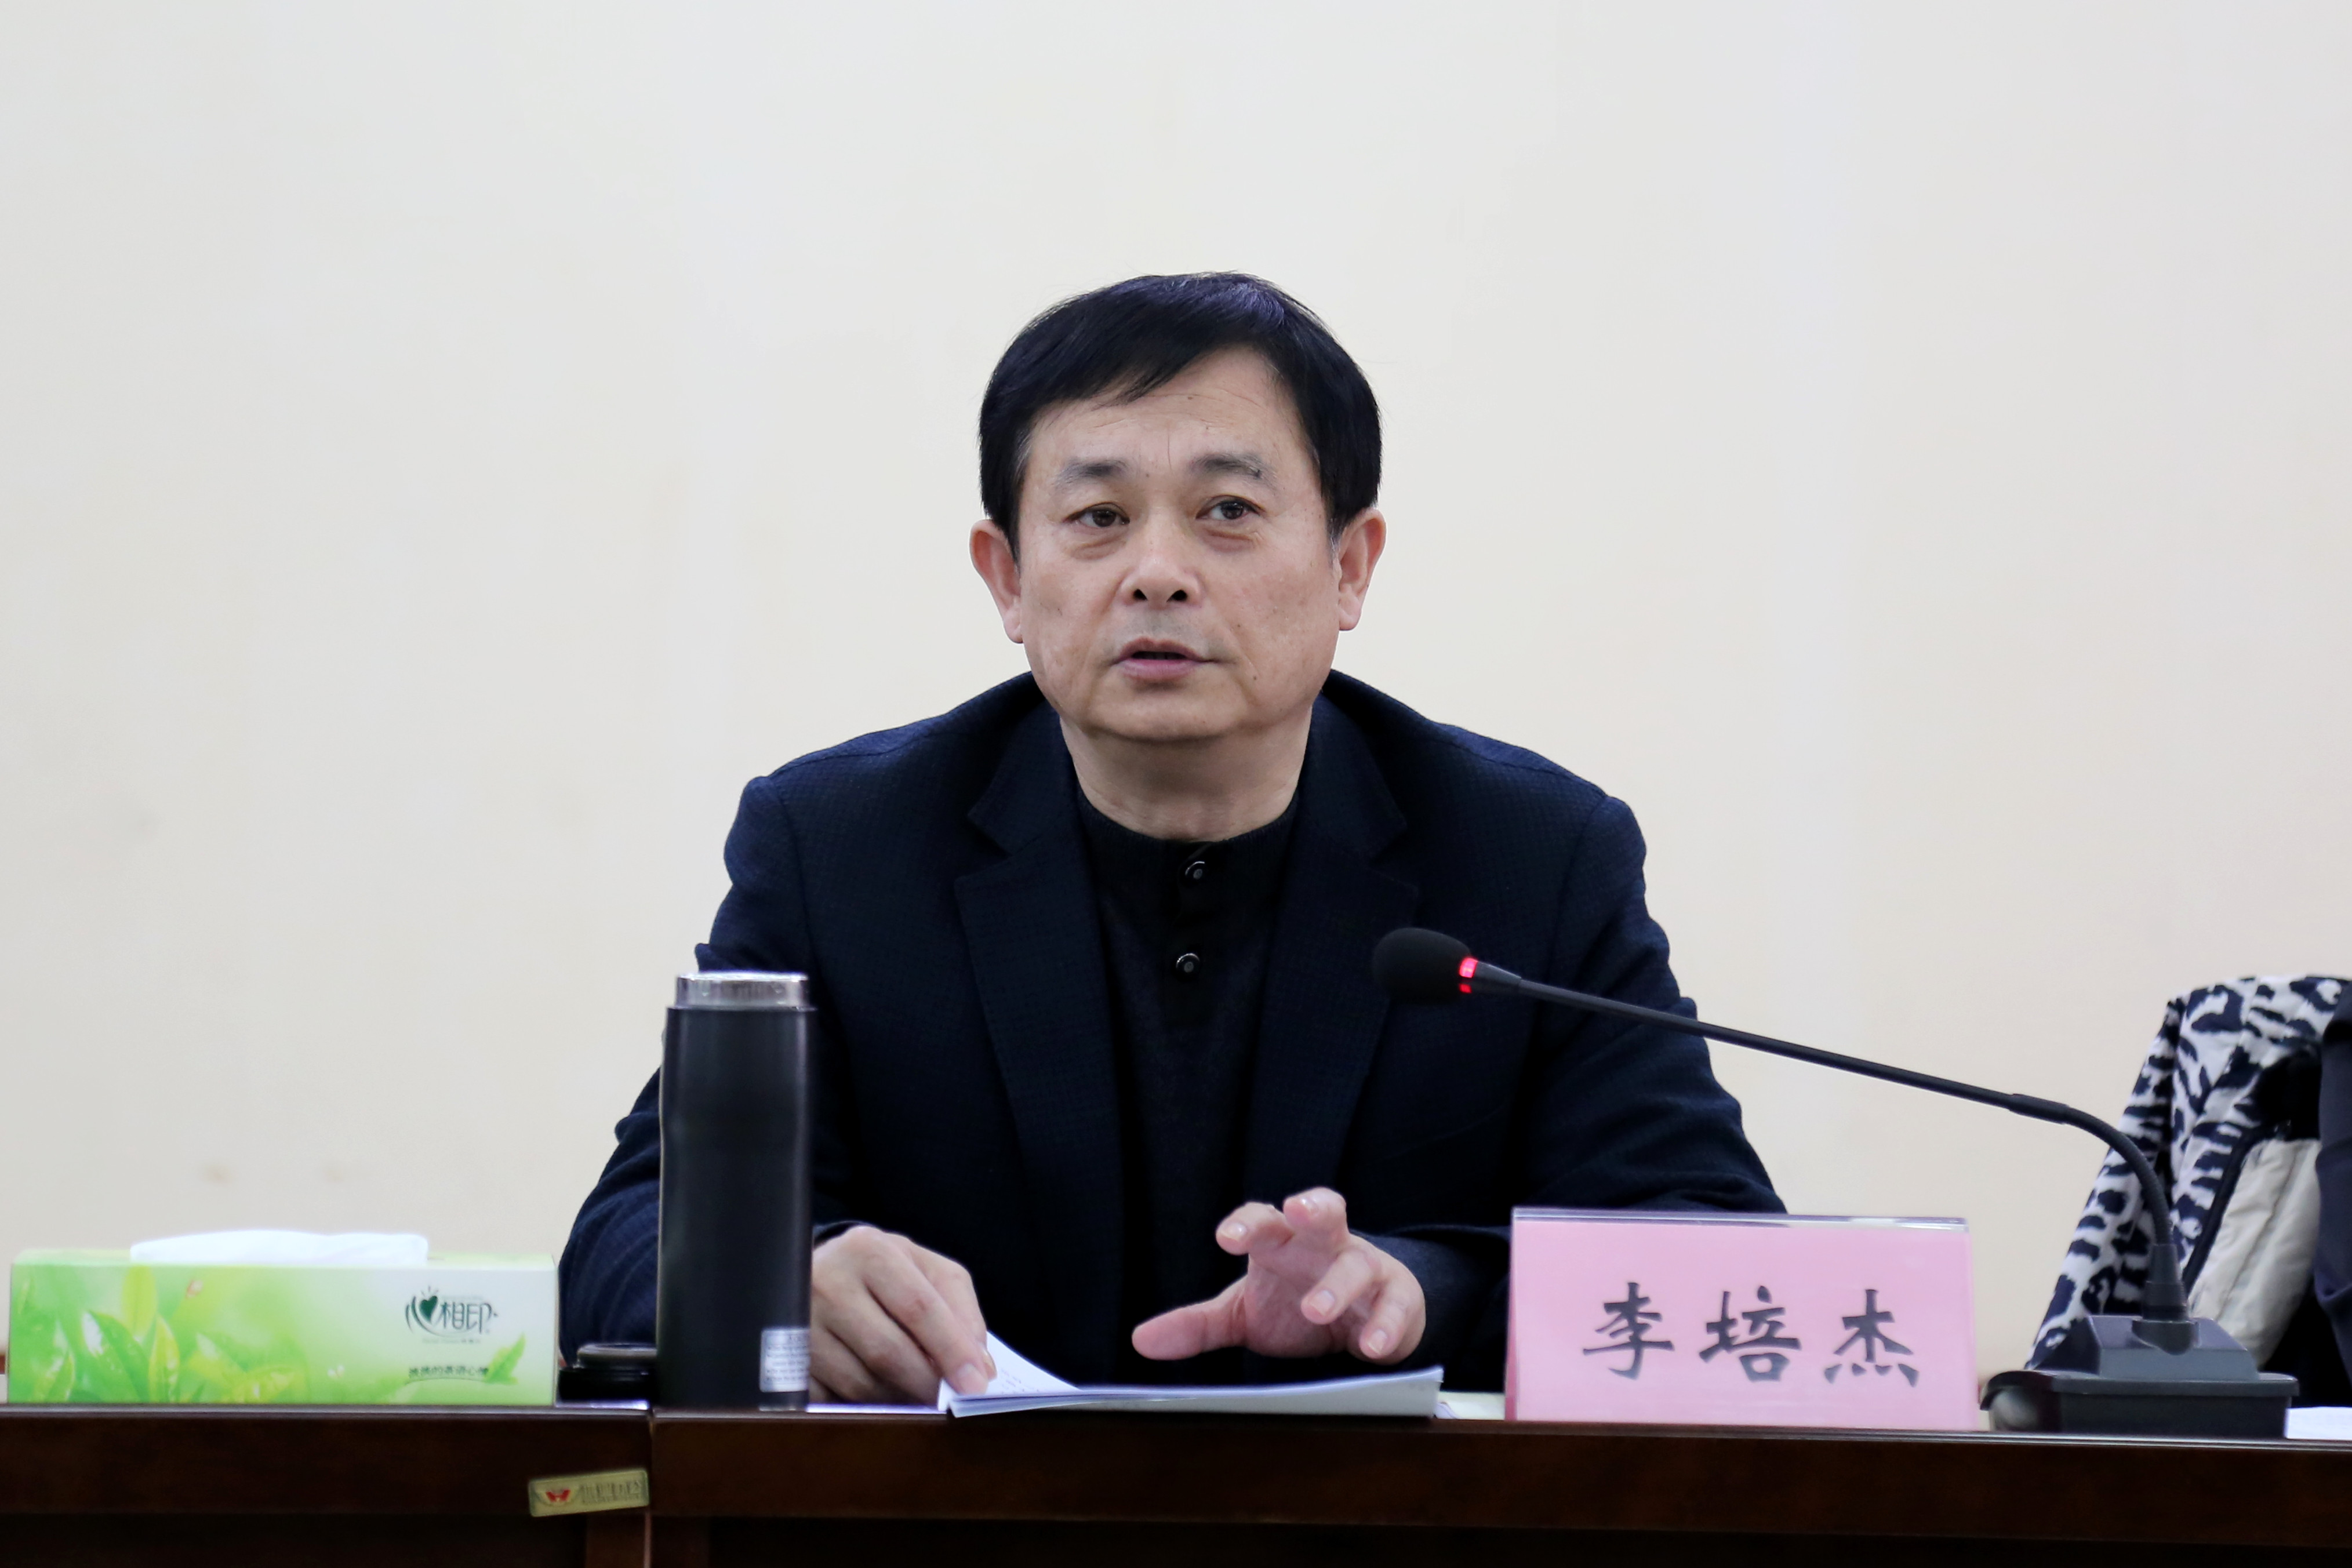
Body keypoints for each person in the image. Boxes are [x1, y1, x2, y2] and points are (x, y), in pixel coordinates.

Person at [560, 272, 1780, 1401]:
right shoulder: (842, 849)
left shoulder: (1528, 856)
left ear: (1350, 567)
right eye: (1097, 516)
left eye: (1227, 511)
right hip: (965, 1528)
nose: (1157, 572)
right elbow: (625, 1239)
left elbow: (1711, 1256)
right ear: (1006, 577)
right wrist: (792, 1277)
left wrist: (1422, 1290)